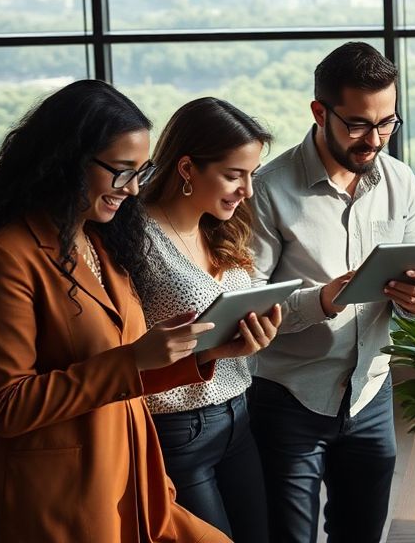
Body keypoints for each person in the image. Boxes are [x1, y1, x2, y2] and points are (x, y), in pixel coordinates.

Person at [0, 80, 263, 542]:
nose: (132, 189)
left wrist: (203, 354)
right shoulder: (1, 258)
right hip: (53, 494)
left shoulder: (99, 242)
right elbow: (6, 406)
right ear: (68, 161)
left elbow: (125, 366)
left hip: (127, 471)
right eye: (121, 171)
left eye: (140, 172)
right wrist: (135, 359)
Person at [247, 42, 415, 543]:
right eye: (357, 124)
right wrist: (324, 300)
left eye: (387, 123)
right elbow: (249, 311)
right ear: (319, 111)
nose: (374, 139)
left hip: (371, 393)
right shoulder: (268, 191)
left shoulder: (402, 182)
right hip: (289, 397)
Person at [138, 97, 281, 543]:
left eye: (251, 175)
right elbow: (123, 344)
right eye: (234, 175)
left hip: (239, 413)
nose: (247, 191)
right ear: (186, 168)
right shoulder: (135, 239)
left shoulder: (216, 228)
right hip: (177, 428)